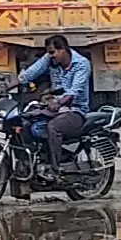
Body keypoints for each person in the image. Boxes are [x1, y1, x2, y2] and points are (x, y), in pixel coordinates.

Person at [14, 35, 91, 175]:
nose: (50, 56)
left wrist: (59, 102)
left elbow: (74, 91)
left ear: (63, 49)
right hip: (53, 108)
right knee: (24, 121)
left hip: (75, 110)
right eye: (49, 53)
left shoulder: (81, 64)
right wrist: (9, 85)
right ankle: (27, 167)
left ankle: (55, 169)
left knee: (53, 127)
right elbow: (31, 73)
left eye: (52, 52)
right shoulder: (50, 59)